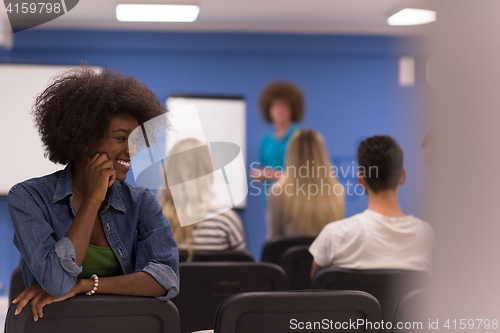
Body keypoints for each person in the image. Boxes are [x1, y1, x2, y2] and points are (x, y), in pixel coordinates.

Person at [7, 68, 179, 321]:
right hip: (56, 326)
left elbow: (166, 278)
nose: (130, 151)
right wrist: (93, 199)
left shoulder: (141, 202)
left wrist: (85, 285)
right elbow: (56, 282)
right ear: (85, 140)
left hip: (121, 325)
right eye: (121, 138)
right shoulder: (29, 198)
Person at [309, 135, 434, 278]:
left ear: (360, 180)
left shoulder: (335, 235)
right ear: (403, 176)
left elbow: (315, 289)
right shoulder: (427, 236)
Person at [158, 138, 246, 262]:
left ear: (168, 171)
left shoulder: (153, 222)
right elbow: (243, 272)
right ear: (208, 171)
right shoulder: (225, 221)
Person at [267, 129, 345, 239]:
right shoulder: (337, 191)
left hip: (292, 256)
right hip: (327, 256)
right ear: (322, 154)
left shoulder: (277, 192)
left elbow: (274, 241)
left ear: (291, 154)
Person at [250, 81, 305, 183]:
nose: (280, 111)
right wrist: (258, 175)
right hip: (270, 197)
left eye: (284, 106)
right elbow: (260, 172)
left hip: (294, 196)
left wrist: (273, 175)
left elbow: (307, 175)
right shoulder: (265, 140)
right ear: (268, 109)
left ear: (293, 109)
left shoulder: (301, 137)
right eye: (275, 106)